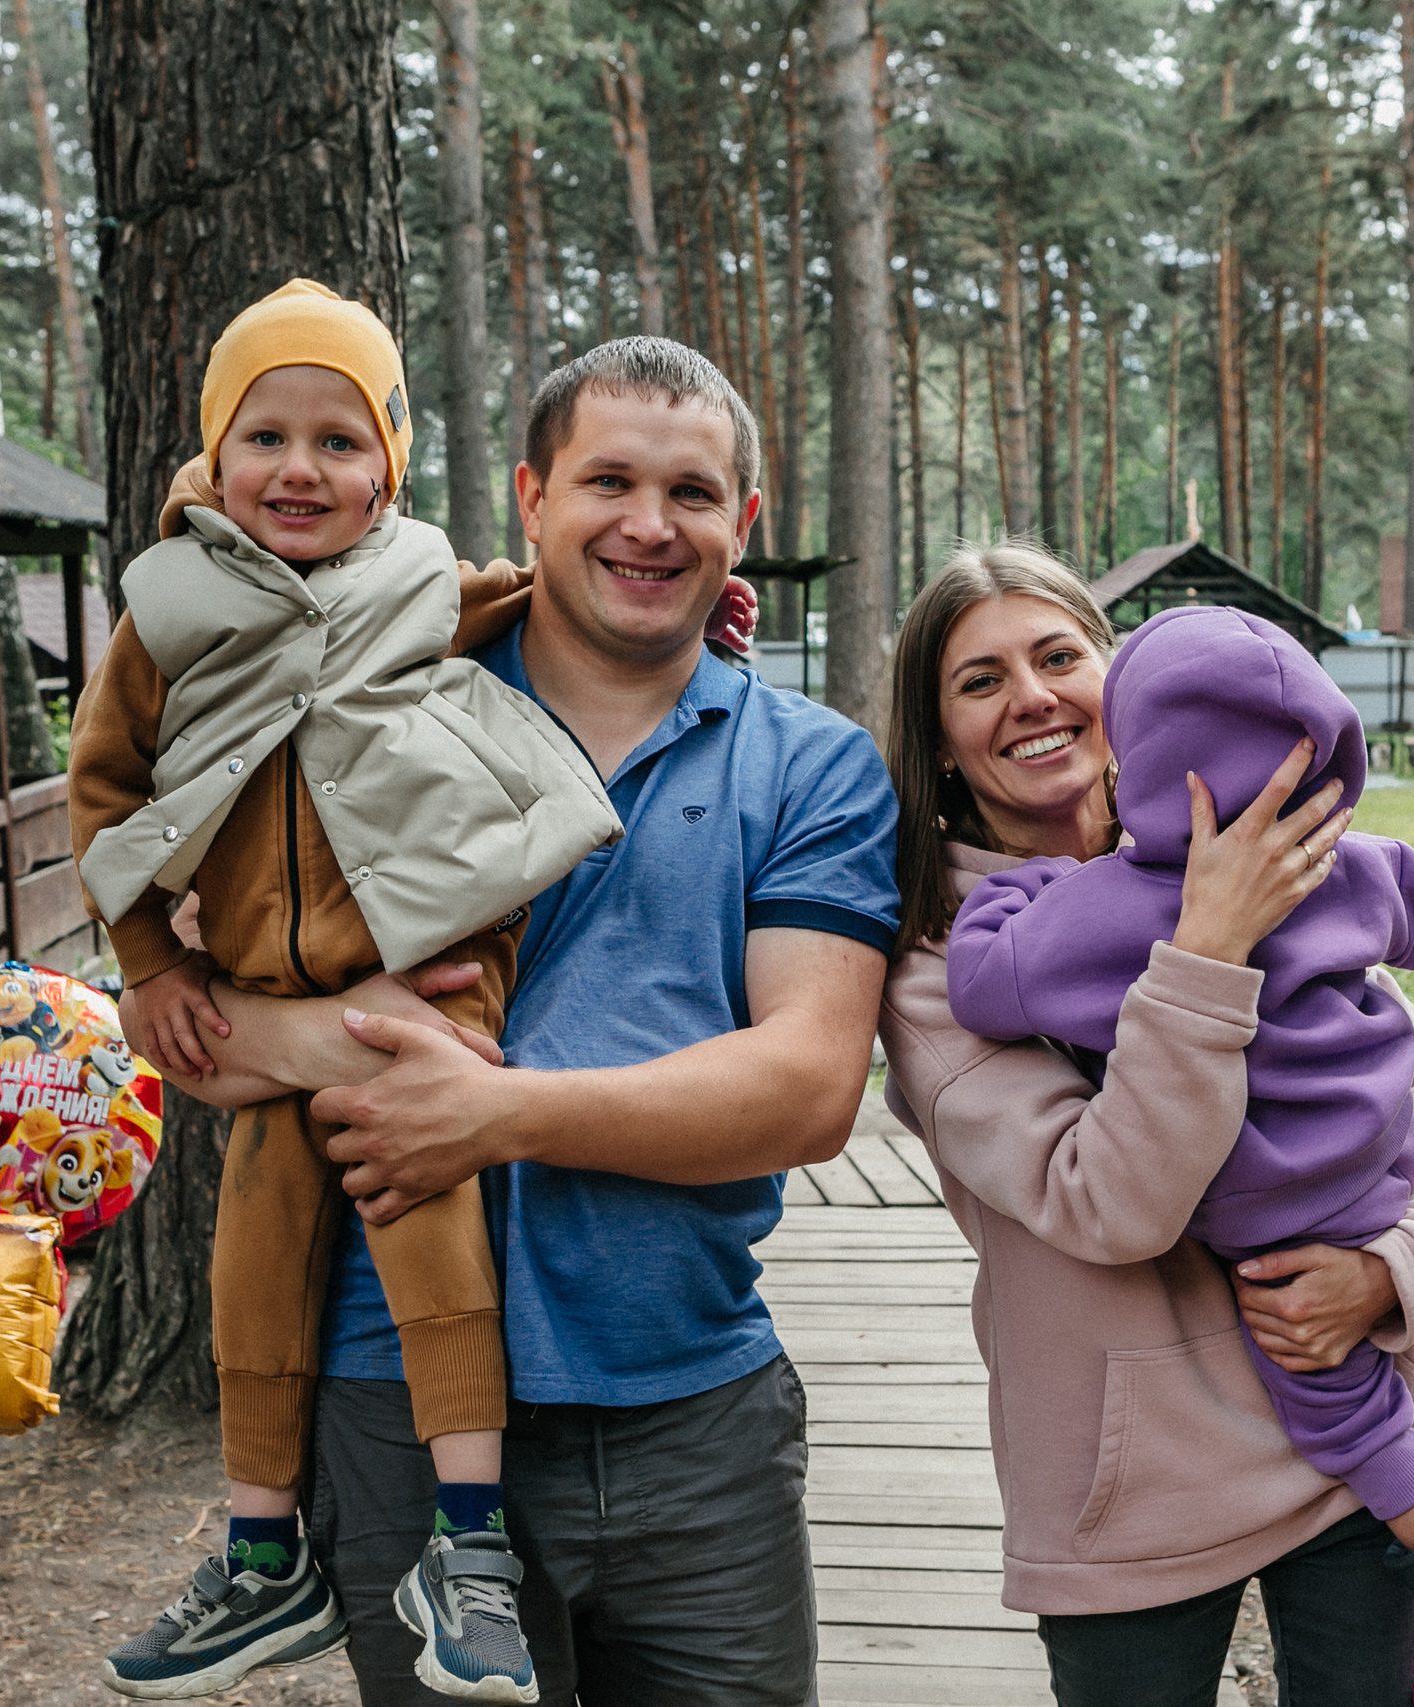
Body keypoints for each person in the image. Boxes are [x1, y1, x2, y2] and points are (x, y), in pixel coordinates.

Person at [141, 336, 898, 1705]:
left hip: (694, 1408)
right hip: (395, 1404)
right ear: (533, 497)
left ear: (744, 522)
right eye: (609, 480)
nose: (649, 524)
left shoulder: (810, 765)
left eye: (692, 492)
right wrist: (331, 1033)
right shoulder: (350, 710)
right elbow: (184, 1026)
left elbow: (807, 1086)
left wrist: (492, 1115)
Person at [72, 280, 625, 1702]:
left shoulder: (422, 576)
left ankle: (469, 1540)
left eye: (339, 440)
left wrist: (697, 608)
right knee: (252, 1255)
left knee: (426, 1210)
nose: (300, 469)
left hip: (431, 961)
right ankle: (264, 1549)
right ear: (215, 454)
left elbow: (535, 597)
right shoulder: (166, 610)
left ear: (389, 462)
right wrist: (151, 960)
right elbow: (103, 786)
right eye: (266, 437)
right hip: (260, 975)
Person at [946, 601, 1414, 1707]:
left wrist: (1389, 1270)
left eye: (1060, 658)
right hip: (1153, 1470)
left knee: (1344, 1412)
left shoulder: (1097, 914)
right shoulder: (1340, 869)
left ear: (1129, 727)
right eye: (981, 679)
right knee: (1353, 1412)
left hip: (1277, 1238)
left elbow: (989, 980)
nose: (1031, 696)